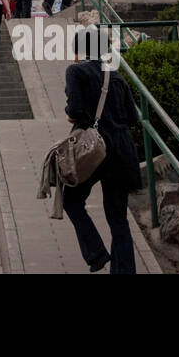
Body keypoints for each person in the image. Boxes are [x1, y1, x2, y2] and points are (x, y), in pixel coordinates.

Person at [62, 27, 142, 273]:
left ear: (83, 49)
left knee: (71, 201)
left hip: (96, 150)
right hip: (123, 150)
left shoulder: (76, 71)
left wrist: (72, 115)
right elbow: (132, 116)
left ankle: (96, 253)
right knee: (118, 219)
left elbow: (74, 109)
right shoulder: (115, 75)